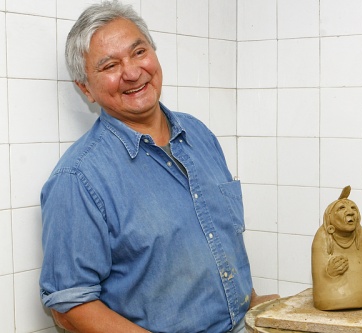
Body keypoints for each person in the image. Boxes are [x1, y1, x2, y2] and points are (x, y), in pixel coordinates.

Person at [39, 1, 276, 332]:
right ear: (85, 89)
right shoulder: (78, 178)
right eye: (109, 66)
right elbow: (70, 305)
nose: (133, 72)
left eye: (138, 52)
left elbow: (219, 241)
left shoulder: (200, 135)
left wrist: (256, 307)